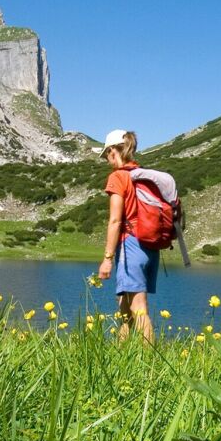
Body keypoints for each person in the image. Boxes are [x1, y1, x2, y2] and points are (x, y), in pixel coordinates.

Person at [95, 129, 156, 341]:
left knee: (138, 308)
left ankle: (152, 365)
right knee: (124, 306)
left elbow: (115, 220)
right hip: (149, 245)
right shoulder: (142, 175)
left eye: (106, 155)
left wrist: (107, 259)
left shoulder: (118, 177)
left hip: (131, 245)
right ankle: (122, 357)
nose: (106, 160)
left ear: (113, 151)